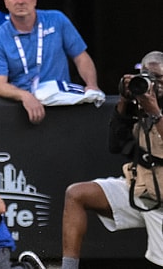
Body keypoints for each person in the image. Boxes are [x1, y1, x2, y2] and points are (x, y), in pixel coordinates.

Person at [60, 51, 163, 269]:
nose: (152, 83)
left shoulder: (151, 106)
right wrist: (124, 102)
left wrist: (154, 110)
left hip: (162, 203)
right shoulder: (140, 101)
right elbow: (116, 145)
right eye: (146, 76)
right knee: (76, 194)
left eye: (157, 77)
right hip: (140, 189)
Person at [0, 0, 101, 124]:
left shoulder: (57, 20)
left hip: (62, 104)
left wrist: (92, 85)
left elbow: (80, 57)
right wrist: (24, 96)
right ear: (5, 2)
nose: (20, 1)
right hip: (24, 110)